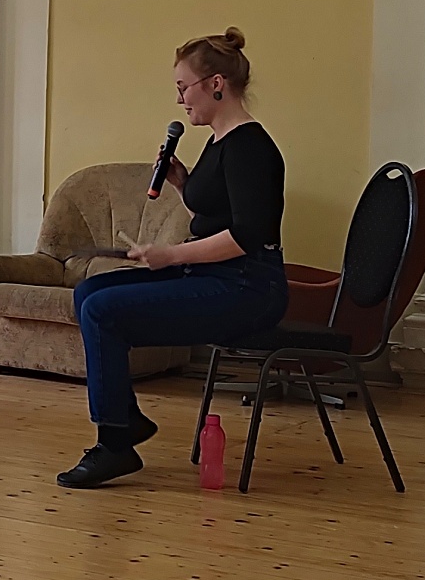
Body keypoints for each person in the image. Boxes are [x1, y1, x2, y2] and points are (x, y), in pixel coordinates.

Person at [57, 27, 288, 489]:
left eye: (184, 87)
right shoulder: (220, 142)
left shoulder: (250, 147)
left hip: (248, 287)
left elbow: (247, 236)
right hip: (218, 275)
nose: (180, 99)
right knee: (90, 291)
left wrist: (170, 255)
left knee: (103, 311)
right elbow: (214, 217)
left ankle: (114, 443)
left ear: (216, 84)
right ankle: (125, 420)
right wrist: (183, 185)